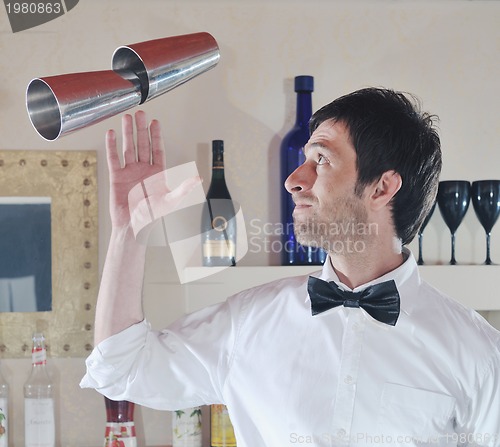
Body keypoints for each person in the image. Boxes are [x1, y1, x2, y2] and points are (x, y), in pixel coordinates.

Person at [81, 88, 500, 447]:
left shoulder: (480, 356)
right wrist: (129, 232)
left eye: (321, 159)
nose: (294, 179)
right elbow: (121, 370)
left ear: (382, 187)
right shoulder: (247, 322)